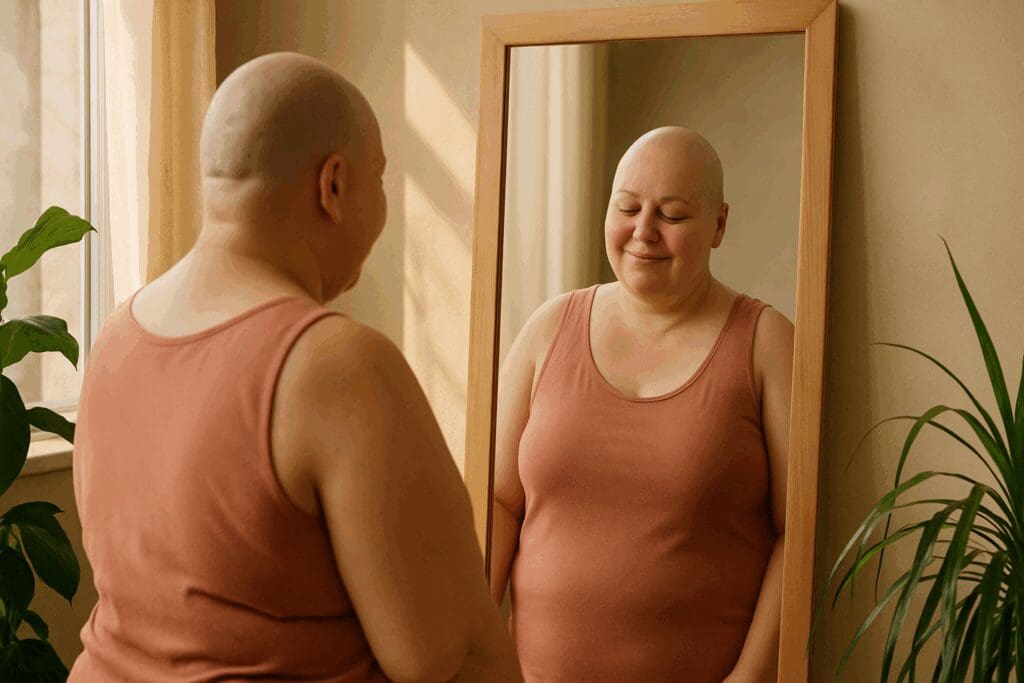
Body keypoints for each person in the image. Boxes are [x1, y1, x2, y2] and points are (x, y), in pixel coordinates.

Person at [70, 52, 522, 683]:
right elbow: (452, 661)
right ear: (332, 186)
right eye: (381, 179)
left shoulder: (116, 335)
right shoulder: (337, 366)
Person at [489, 126, 793, 682]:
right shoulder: (547, 328)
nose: (643, 232)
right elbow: (497, 503)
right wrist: (474, 651)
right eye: (627, 208)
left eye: (672, 216)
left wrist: (749, 679)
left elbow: (798, 531)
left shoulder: (767, 342)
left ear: (719, 224)